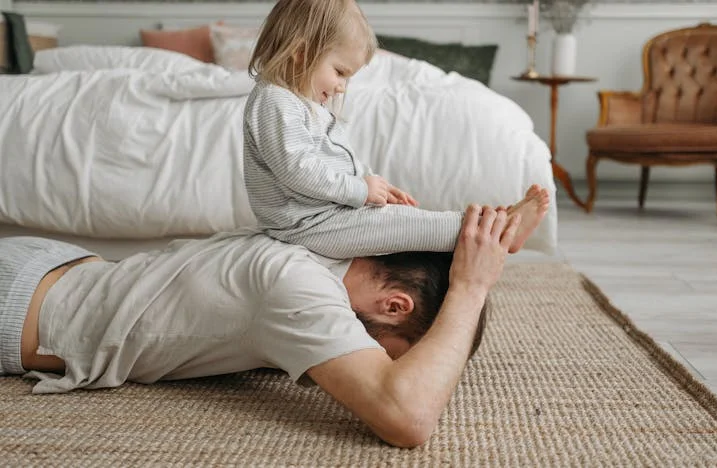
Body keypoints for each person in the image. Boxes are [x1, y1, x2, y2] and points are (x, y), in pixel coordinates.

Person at [0, 200, 548, 448]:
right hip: (13, 306)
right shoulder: (296, 288)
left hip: (52, 264)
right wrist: (470, 288)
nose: (377, 361)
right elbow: (407, 418)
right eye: (391, 352)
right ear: (394, 307)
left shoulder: (318, 237)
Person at [244, 0, 546, 259]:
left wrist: (376, 186)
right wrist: (362, 191)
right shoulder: (274, 100)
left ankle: (493, 223)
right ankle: (497, 231)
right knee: (405, 227)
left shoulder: (305, 103)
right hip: (304, 225)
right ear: (300, 52)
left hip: (325, 214)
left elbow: (337, 160)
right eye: (339, 72)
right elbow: (298, 171)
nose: (340, 87)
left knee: (407, 218)